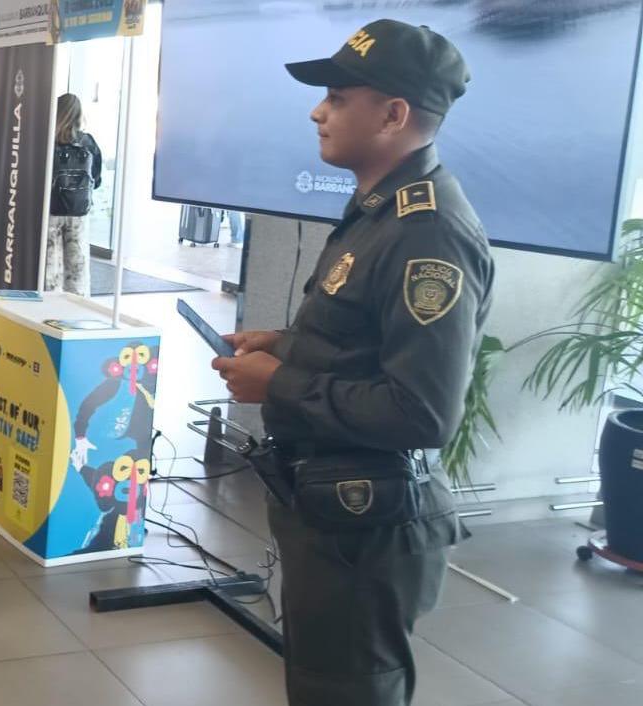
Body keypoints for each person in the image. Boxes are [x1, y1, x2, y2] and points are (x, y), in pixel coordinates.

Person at [211, 20, 492, 706]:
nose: (318, 111)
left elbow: (421, 411)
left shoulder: (428, 233)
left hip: (367, 530)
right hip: (334, 513)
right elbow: (363, 338)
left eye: (338, 97)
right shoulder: (380, 211)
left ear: (394, 115)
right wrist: (285, 344)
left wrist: (281, 383)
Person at [44, 93, 104, 297]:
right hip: (78, 212)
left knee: (49, 268)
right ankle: (77, 306)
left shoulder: (46, 141)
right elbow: (96, 178)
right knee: (77, 267)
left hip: (51, 209)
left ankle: (50, 306)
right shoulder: (87, 142)